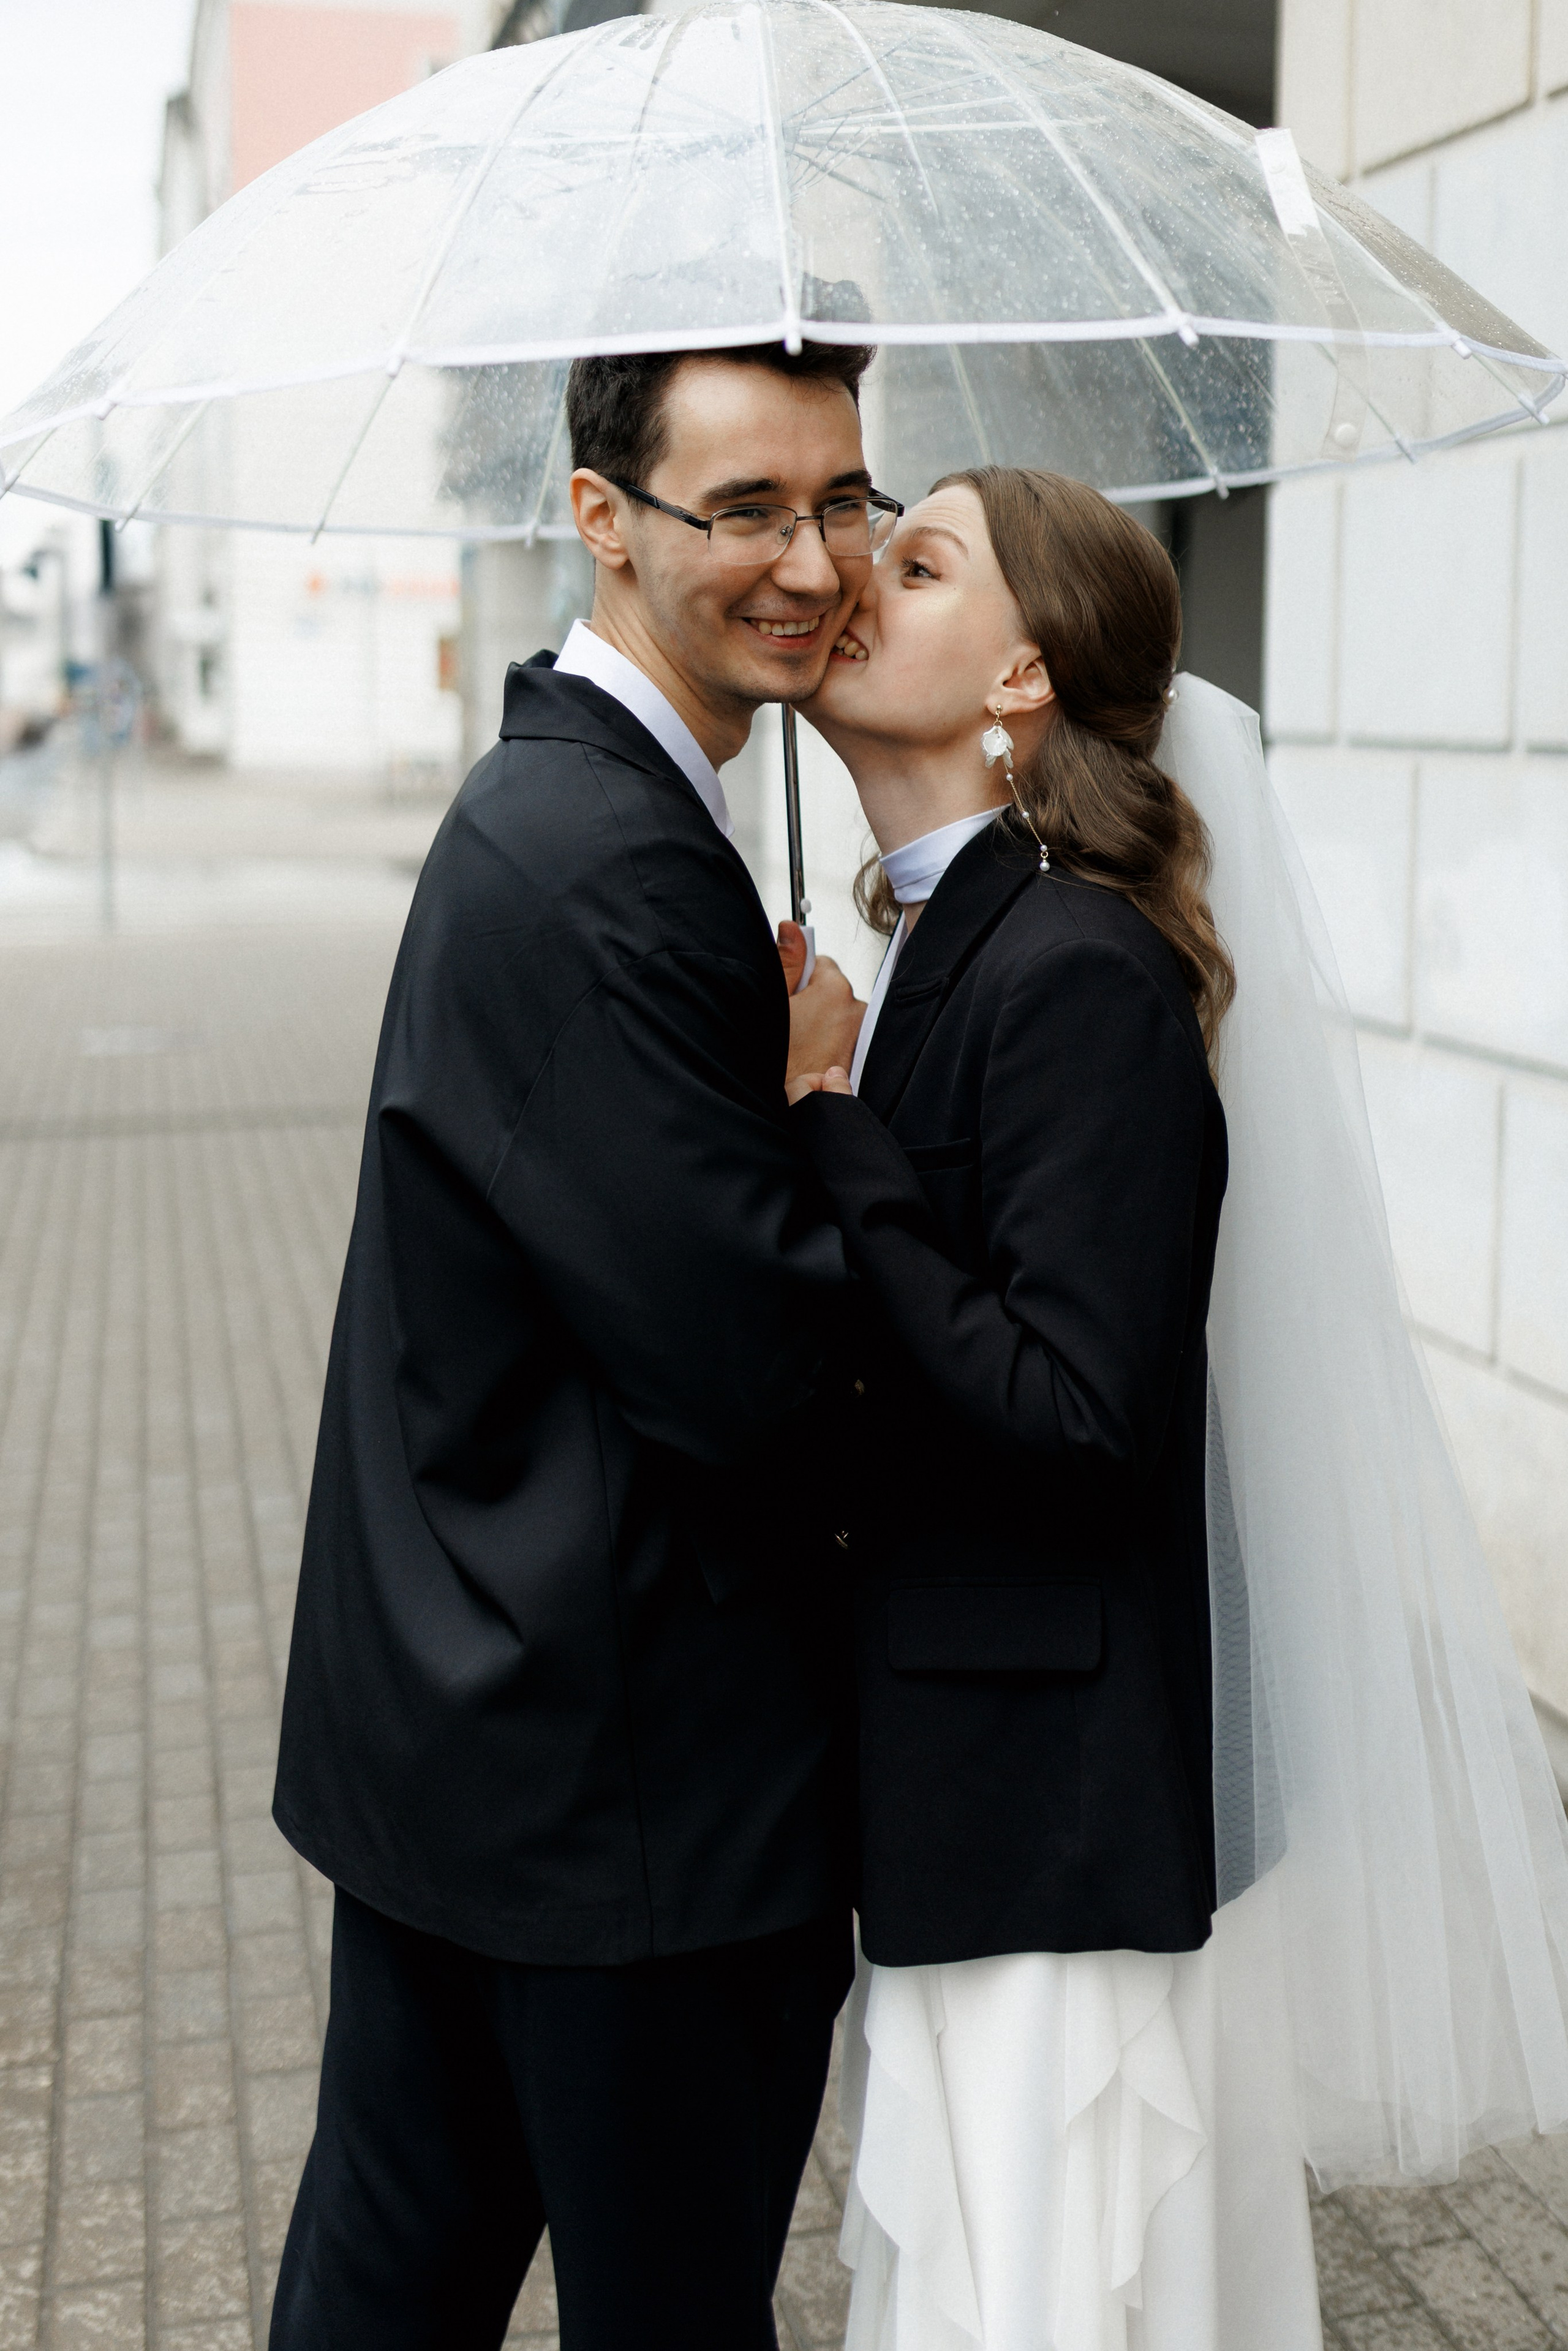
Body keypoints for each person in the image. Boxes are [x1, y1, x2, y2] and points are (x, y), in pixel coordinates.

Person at [789, 464, 1568, 2349]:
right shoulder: (942, 942)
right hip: (964, 1794)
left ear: (1022, 680)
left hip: (1049, 1823)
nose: (845, 578)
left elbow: (1074, 1411)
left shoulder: (1077, 967)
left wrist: (829, 1136)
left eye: (915, 560)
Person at [268, 341, 882, 2350]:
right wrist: (819, 1109)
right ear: (601, 517)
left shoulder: (601, 814)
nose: (812, 559)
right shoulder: (605, 855)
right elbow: (759, 1375)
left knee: (387, 2296)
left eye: (841, 499)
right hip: (623, 1801)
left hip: (483, 1749)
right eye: (748, 509)